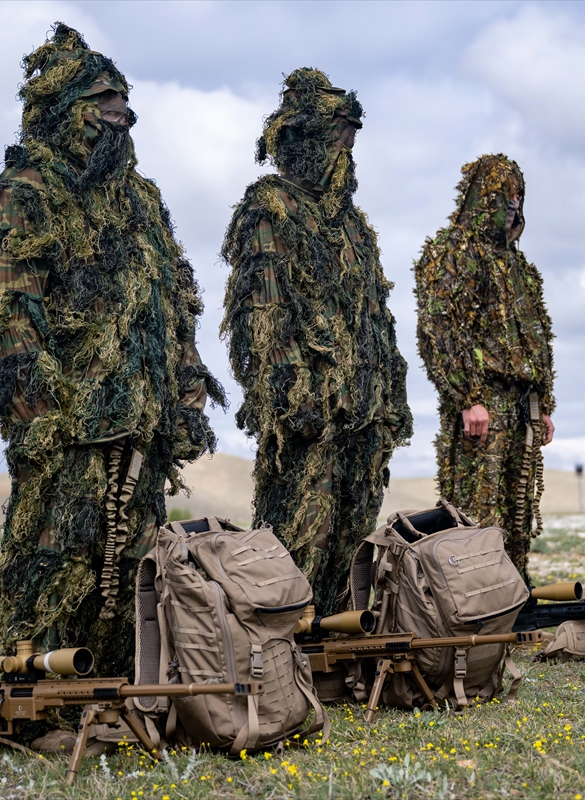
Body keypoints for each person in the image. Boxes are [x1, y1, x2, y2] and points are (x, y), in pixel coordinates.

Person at [0, 23, 223, 681]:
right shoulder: (27, 191)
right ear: (63, 106)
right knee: (56, 562)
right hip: (69, 427)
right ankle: (38, 696)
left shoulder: (141, 201)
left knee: (136, 562)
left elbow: (178, 299)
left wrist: (189, 395)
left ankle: (122, 691)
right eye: (104, 100)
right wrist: (37, 420)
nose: (123, 114)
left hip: (141, 422)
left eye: (125, 102)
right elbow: (11, 315)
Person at [220, 68, 412, 615]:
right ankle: (280, 655)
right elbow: (264, 312)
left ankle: (333, 648)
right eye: (337, 142)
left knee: (353, 538)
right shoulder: (271, 208)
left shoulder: (354, 226)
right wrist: (292, 396)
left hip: (363, 409)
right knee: (300, 536)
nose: (346, 155)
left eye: (352, 144)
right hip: (310, 412)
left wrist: (390, 398)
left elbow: (378, 317)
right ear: (306, 142)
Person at [413, 154, 556, 582]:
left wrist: (543, 403)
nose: (512, 204)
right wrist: (467, 397)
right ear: (481, 196)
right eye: (502, 195)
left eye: (517, 196)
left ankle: (511, 597)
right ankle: (473, 602)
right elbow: (440, 327)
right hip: (485, 402)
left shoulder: (519, 267)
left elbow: (536, 337)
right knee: (477, 509)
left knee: (518, 509)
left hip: (523, 404)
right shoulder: (454, 251)